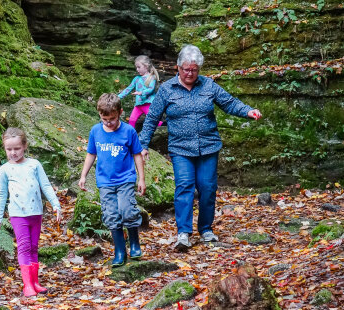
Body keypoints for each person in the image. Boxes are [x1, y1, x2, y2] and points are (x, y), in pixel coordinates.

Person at [139, 44, 262, 251]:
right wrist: (143, 144)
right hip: (180, 149)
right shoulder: (167, 90)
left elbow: (229, 103)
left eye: (194, 70)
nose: (189, 73)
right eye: (186, 69)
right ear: (178, 68)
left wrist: (248, 111)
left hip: (208, 147)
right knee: (184, 186)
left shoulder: (208, 86)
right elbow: (152, 118)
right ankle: (184, 233)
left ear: (199, 69)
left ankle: (206, 229)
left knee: (207, 188)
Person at [78, 93, 146, 267]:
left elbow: (137, 155)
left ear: (120, 113)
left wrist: (141, 179)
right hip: (105, 181)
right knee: (111, 214)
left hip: (125, 178)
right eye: (105, 119)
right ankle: (120, 250)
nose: (109, 122)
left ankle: (135, 244)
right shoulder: (96, 131)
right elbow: (91, 153)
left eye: (112, 119)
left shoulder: (128, 131)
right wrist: (84, 175)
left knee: (127, 210)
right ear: (100, 115)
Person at [0, 127, 61, 297]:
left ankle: (35, 281)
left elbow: (45, 185)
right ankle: (27, 284)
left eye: (17, 148)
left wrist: (56, 205)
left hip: (36, 213)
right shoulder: (5, 169)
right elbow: (2, 194)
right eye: (9, 149)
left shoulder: (34, 164)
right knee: (23, 247)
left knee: (33, 246)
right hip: (17, 214)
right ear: (5, 149)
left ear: (24, 146)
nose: (13, 153)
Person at [118, 55, 163, 128]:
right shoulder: (136, 79)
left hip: (148, 104)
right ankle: (131, 135)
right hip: (138, 105)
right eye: (136, 67)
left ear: (146, 66)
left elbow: (151, 89)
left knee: (153, 121)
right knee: (132, 120)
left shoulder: (152, 77)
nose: (137, 69)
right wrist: (119, 97)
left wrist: (141, 92)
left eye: (139, 67)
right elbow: (129, 88)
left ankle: (166, 126)